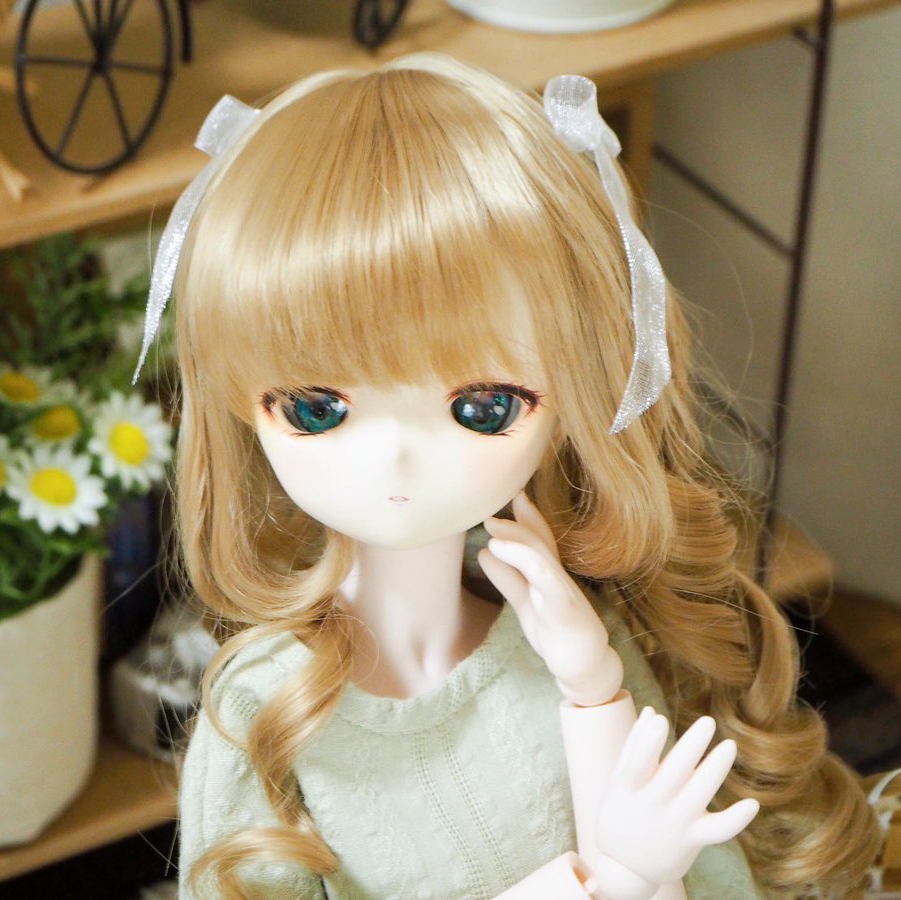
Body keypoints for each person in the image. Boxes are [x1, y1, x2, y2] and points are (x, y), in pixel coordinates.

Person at [140, 53, 878, 898]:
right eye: (316, 408)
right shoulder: (261, 715)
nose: (395, 458)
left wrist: (595, 693)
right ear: (241, 404)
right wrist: (607, 881)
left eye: (482, 406)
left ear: (573, 397)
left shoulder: (569, 639)